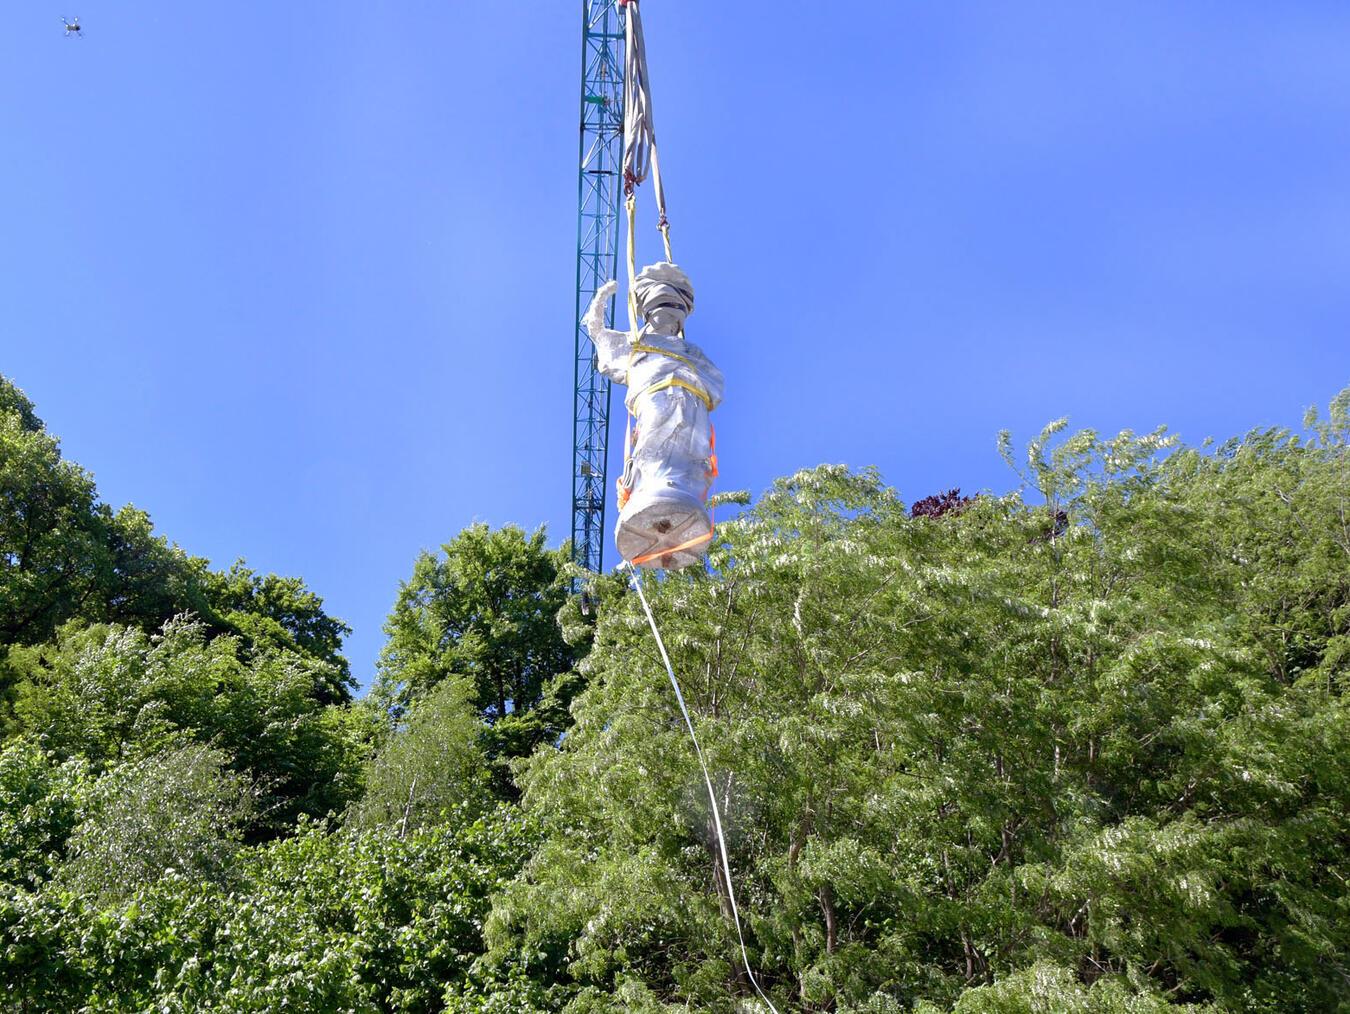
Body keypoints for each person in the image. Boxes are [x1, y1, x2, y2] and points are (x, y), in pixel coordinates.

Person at [583, 262, 723, 569]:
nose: (671, 320)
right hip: (653, 400)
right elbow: (598, 336)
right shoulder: (636, 345)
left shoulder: (692, 352)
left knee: (691, 453)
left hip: (690, 405)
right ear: (650, 312)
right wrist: (601, 301)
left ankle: (682, 497)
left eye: (677, 313)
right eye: (666, 310)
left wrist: (689, 383)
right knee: (654, 446)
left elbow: (717, 383)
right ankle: (651, 493)